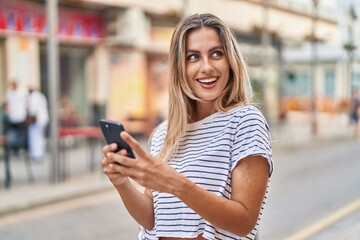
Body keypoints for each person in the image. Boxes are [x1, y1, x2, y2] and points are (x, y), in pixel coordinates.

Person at [101, 13, 273, 240]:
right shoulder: (165, 133)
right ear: (180, 67)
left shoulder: (244, 121)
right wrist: (122, 182)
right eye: (193, 57)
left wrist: (174, 183)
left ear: (230, 60)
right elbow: (152, 219)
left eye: (216, 54)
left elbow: (244, 223)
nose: (206, 67)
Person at [26, 86, 49, 161]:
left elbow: (33, 111)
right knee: (40, 137)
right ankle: (39, 154)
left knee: (35, 138)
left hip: (37, 121)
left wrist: (28, 121)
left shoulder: (34, 97)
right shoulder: (41, 96)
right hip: (42, 120)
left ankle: (37, 154)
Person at [5, 80, 29, 152]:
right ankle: (14, 149)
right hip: (12, 118)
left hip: (21, 117)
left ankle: (20, 148)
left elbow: (26, 103)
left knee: (21, 134)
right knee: (13, 135)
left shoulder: (22, 92)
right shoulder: (9, 93)